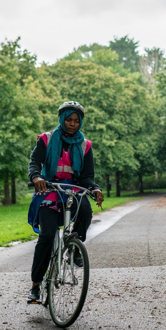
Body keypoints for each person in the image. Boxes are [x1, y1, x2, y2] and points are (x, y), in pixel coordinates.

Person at [27, 101, 104, 304]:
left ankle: (73, 248)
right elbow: (34, 162)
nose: (72, 124)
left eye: (76, 121)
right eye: (69, 120)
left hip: (74, 190)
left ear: (81, 123)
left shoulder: (84, 145)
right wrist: (36, 177)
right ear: (62, 120)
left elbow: (86, 176)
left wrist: (94, 188)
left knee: (86, 211)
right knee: (47, 235)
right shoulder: (47, 139)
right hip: (49, 190)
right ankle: (35, 286)